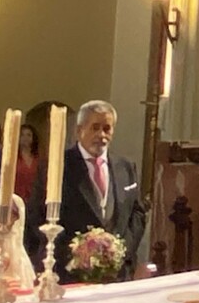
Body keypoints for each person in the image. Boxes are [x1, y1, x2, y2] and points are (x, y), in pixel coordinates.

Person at [28, 100, 144, 275]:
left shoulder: (125, 167)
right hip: (70, 270)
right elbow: (38, 215)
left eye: (107, 128)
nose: (101, 135)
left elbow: (137, 213)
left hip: (118, 271)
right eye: (95, 127)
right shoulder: (57, 166)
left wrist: (120, 249)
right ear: (79, 130)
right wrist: (78, 252)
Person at [13, 121, 43, 204]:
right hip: (15, 199)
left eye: (28, 135)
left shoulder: (39, 159)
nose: (25, 138)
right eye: (22, 135)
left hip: (35, 201)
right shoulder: (12, 158)